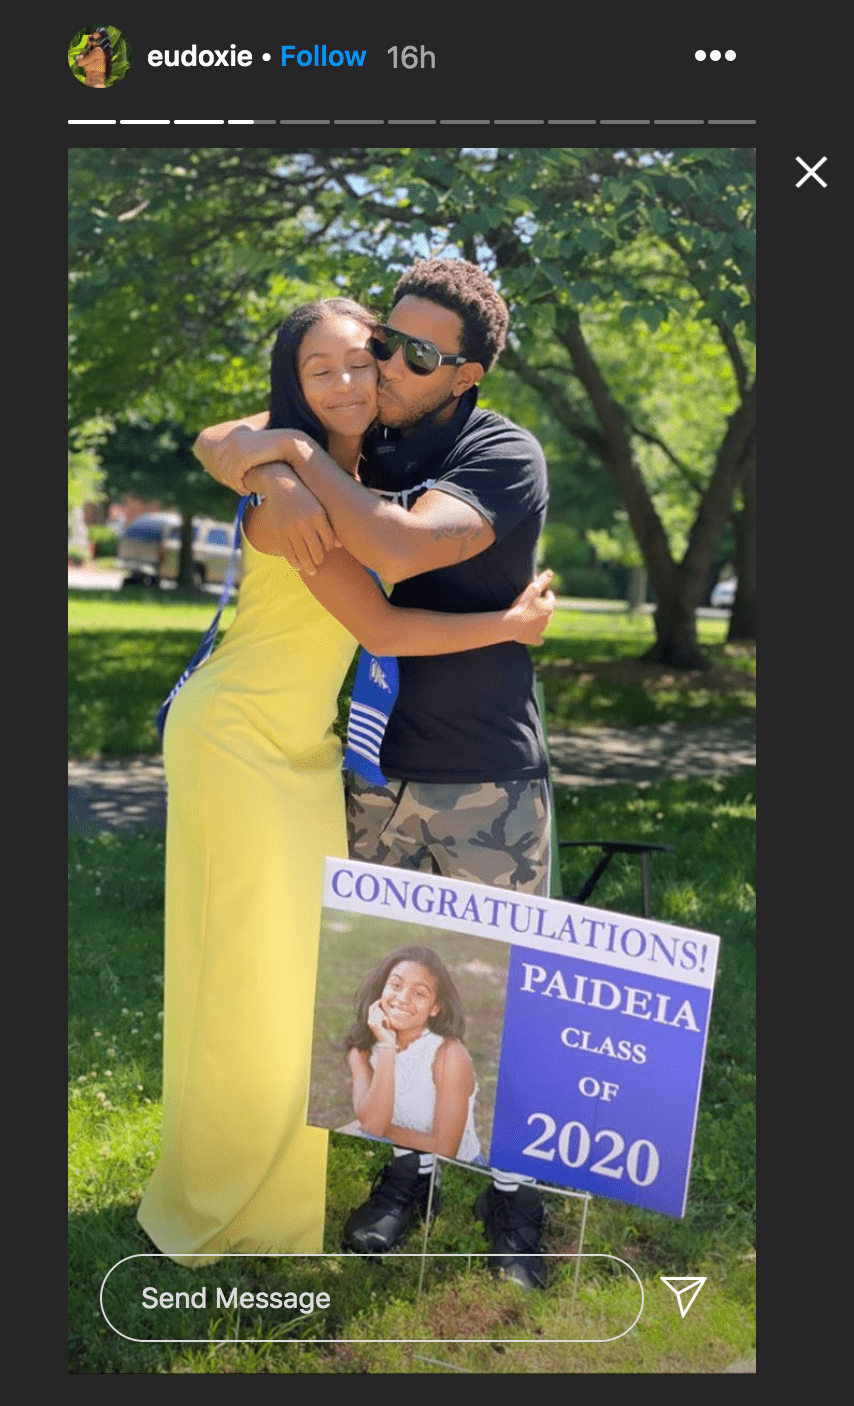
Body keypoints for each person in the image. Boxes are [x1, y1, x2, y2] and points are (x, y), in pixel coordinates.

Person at [136, 296, 556, 1266]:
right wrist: (272, 462)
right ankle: (340, 1186)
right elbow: (229, 438)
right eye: (351, 360)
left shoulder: (466, 452)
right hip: (281, 750)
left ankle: (513, 1205)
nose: (367, 375)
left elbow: (396, 543)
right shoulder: (325, 463)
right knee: (322, 980)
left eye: (384, 358)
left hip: (422, 763)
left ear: (460, 373)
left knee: (488, 985)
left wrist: (285, 457)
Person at [339, 945, 483, 1165]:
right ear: (381, 989)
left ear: (435, 1007)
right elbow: (373, 1126)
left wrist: (376, 1130)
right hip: (391, 1157)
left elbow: (446, 1150)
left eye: (419, 993)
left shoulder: (449, 1054)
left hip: (450, 1170)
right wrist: (387, 1045)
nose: (403, 998)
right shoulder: (362, 1046)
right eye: (395, 985)